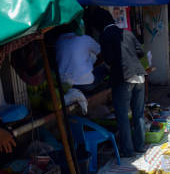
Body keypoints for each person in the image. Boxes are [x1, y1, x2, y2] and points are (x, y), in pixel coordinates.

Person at [94, 9, 147, 158]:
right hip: (139, 75)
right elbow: (141, 52)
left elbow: (109, 59)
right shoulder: (127, 33)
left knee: (123, 116)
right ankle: (140, 147)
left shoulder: (105, 36)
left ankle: (128, 151)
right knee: (138, 115)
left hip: (123, 78)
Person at [55, 25, 107, 94]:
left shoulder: (58, 41)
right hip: (86, 84)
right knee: (105, 68)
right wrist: (94, 67)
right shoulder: (85, 38)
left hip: (64, 85)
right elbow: (102, 55)